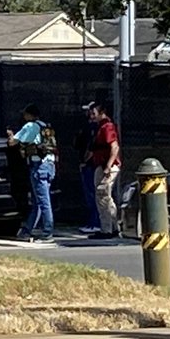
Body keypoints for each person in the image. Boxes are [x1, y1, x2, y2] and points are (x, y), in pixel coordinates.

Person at [7, 104, 55, 241]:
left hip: (38, 166)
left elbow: (13, 142)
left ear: (29, 115)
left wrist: (10, 134)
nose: (23, 116)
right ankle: (27, 229)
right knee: (38, 201)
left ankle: (48, 231)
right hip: (49, 165)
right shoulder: (45, 126)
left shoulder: (30, 126)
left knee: (43, 201)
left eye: (25, 114)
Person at [88, 101, 121, 239]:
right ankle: (113, 227)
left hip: (106, 167)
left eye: (94, 113)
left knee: (102, 196)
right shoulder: (100, 127)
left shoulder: (107, 127)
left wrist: (108, 166)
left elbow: (114, 147)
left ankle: (106, 229)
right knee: (106, 197)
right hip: (101, 165)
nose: (91, 116)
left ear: (102, 113)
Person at [73, 102, 102, 233]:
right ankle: (92, 221)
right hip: (86, 164)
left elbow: (92, 146)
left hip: (90, 165)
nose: (89, 114)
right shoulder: (86, 127)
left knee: (92, 194)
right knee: (89, 194)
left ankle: (95, 222)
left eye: (91, 112)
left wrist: (85, 160)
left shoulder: (94, 127)